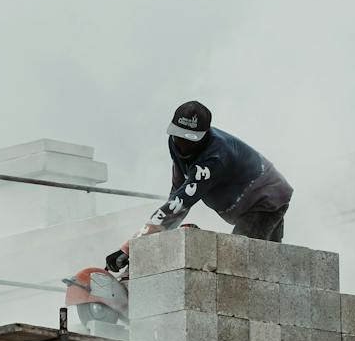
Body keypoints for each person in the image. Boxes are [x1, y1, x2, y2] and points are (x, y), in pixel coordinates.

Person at [106, 100, 292, 273]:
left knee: (238, 261)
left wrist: (129, 248)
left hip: (266, 200)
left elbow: (181, 203)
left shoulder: (215, 157)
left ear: (203, 137)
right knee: (265, 263)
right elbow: (176, 195)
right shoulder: (174, 143)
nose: (183, 146)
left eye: (190, 140)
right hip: (248, 202)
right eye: (179, 138)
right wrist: (153, 241)